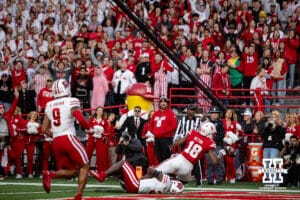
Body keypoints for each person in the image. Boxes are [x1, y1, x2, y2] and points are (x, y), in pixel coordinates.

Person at [41, 79, 91, 200]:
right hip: (68, 137)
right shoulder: (71, 101)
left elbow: (43, 129)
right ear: (66, 88)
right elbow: (80, 117)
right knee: (85, 166)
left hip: (56, 141)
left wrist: (56, 135)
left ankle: (50, 174)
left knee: (73, 171)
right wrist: (89, 128)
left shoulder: (49, 105)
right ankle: (78, 195)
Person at [155, 122, 222, 184]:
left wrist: (172, 144)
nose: (214, 135)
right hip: (188, 166)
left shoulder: (193, 133)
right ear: (208, 132)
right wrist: (220, 155)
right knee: (184, 181)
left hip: (180, 159)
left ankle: (159, 181)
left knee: (154, 171)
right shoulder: (209, 143)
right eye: (213, 133)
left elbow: (179, 142)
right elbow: (214, 162)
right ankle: (170, 182)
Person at [92, 159, 184, 194]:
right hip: (136, 187)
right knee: (121, 170)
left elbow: (155, 173)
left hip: (136, 185)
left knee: (123, 162)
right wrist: (150, 173)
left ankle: (102, 176)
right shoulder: (163, 190)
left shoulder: (167, 181)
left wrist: (153, 170)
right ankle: (114, 177)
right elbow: (152, 177)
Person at [173, 104, 202, 186]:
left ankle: (199, 181)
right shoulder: (182, 120)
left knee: (196, 162)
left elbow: (200, 132)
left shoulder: (198, 121)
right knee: (183, 162)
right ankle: (183, 181)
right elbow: (178, 131)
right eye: (190, 109)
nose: (191, 111)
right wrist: (175, 141)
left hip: (194, 143)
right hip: (184, 142)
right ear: (187, 110)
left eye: (193, 110)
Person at [148, 96, 178, 163]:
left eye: (165, 102)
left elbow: (174, 125)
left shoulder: (170, 113)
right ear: (159, 104)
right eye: (161, 102)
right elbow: (150, 125)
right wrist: (154, 132)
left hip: (166, 139)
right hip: (157, 139)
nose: (163, 103)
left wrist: (162, 132)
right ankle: (161, 172)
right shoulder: (155, 114)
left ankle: (166, 173)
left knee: (166, 158)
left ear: (167, 104)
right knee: (159, 157)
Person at [206, 106, 225, 185]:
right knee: (209, 162)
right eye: (213, 113)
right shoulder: (206, 123)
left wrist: (213, 138)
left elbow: (222, 135)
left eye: (216, 113)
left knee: (219, 162)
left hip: (217, 145)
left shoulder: (220, 123)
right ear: (210, 114)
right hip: (208, 146)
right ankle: (210, 179)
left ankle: (219, 179)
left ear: (218, 115)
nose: (214, 115)